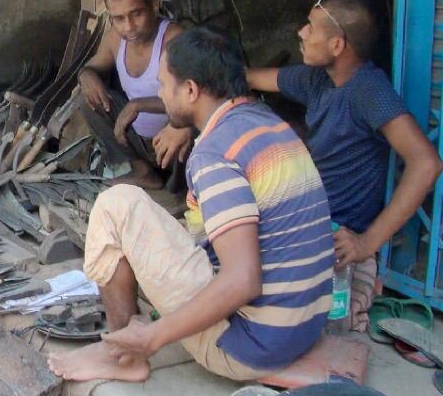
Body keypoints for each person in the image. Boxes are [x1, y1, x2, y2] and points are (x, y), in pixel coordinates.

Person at [48, 27, 333, 383]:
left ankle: (124, 356)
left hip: (249, 346)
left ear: (191, 90)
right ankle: (128, 340)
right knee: (169, 222)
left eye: (164, 84)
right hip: (302, 330)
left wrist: (152, 338)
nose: (160, 95)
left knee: (115, 204)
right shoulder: (270, 125)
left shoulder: (215, 153)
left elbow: (243, 280)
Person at [246, 0, 442, 330]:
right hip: (302, 219)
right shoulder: (317, 79)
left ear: (337, 45)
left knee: (292, 315)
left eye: (310, 26)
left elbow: (426, 162)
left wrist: (367, 242)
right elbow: (251, 78)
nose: (301, 33)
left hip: (337, 236)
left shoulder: (368, 89)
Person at [76, 0, 190, 188]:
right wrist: (86, 76)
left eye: (136, 14)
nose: (128, 26)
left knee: (180, 182)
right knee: (87, 100)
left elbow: (193, 101)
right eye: (119, 18)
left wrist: (138, 105)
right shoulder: (114, 39)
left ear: (154, 7)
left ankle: (182, 184)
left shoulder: (175, 39)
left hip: (174, 140)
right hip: (137, 139)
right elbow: (91, 67)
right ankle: (142, 170)